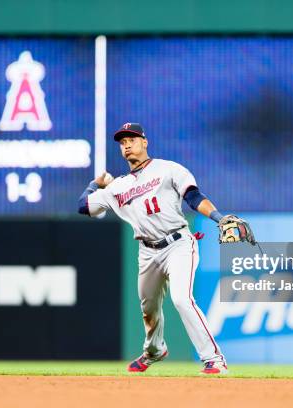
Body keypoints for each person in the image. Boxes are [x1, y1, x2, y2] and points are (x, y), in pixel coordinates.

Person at [78, 123, 228, 374]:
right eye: (122, 142)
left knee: (182, 299)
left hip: (178, 244)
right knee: (149, 310)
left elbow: (193, 197)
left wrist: (219, 217)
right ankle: (155, 351)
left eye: (132, 139)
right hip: (147, 252)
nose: (127, 145)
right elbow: (84, 207)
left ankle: (213, 360)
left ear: (144, 142)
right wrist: (95, 184)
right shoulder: (117, 187)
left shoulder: (168, 169)